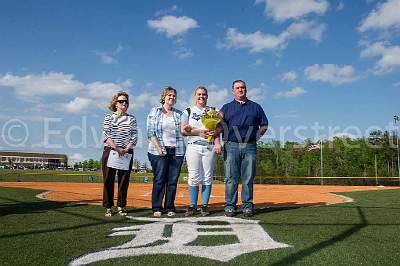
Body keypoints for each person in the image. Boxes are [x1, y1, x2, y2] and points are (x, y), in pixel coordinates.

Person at [220, 80, 268, 217]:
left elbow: (264, 125)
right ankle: (230, 205)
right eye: (237, 88)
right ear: (233, 91)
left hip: (249, 146)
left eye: (243, 87)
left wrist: (256, 137)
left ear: (246, 90)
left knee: (248, 178)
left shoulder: (256, 107)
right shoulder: (226, 107)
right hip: (231, 145)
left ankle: (247, 205)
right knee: (230, 177)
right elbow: (218, 124)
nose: (240, 90)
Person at [181, 86, 222, 216]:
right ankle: (193, 206)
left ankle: (204, 206)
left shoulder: (212, 111)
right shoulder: (187, 111)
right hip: (193, 146)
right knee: (193, 176)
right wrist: (199, 131)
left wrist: (215, 138)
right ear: (195, 96)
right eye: (199, 94)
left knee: (207, 176)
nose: (201, 96)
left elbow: (219, 128)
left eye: (204, 94)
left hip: (208, 147)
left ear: (207, 96)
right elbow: (183, 130)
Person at [147, 86, 185, 217]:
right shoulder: (155, 111)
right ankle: (157, 207)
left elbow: (184, 131)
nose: (172, 97)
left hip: (176, 151)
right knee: (159, 179)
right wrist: (159, 148)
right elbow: (150, 131)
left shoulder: (179, 114)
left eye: (174, 96)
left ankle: (169, 207)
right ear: (163, 97)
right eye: (169, 95)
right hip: (158, 151)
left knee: (172, 180)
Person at [102, 91, 137, 217]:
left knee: (123, 181)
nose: (124, 103)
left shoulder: (131, 119)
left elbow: (134, 136)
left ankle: (121, 206)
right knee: (108, 180)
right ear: (115, 103)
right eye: (121, 101)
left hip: (126, 151)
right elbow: (106, 135)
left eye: (126, 101)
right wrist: (117, 148)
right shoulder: (109, 117)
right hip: (111, 150)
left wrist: (126, 148)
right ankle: (108, 207)